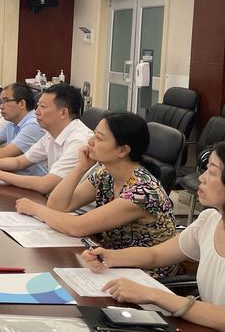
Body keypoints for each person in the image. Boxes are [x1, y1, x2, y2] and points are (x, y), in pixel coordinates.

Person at [81, 142, 225, 332]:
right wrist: (110, 257)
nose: (201, 177)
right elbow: (155, 255)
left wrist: (155, 295)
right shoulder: (210, 220)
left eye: (212, 172)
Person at [16, 112, 177, 276]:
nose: (90, 142)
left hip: (144, 273)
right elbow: (57, 205)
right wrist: (81, 167)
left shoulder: (142, 191)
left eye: (99, 138)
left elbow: (76, 227)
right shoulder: (106, 174)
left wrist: (36, 209)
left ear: (122, 150)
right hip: (110, 261)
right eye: (94, 134)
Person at [0, 83, 92, 194]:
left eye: (43, 107)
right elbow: (20, 162)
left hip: (75, 205)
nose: (36, 112)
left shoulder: (79, 141)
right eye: (37, 106)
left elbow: (46, 184)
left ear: (63, 113)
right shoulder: (51, 134)